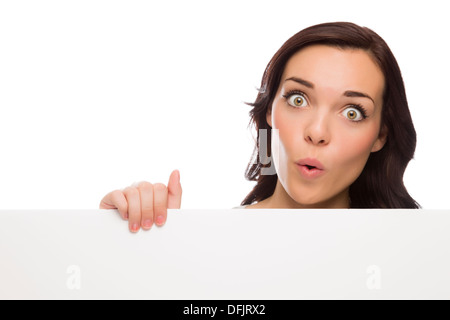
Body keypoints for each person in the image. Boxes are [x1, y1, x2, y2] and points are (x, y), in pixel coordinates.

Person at [100, 22, 420, 233]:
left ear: (381, 135)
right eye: (298, 99)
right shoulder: (210, 242)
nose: (317, 132)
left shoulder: (416, 256)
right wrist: (135, 250)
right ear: (269, 111)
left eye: (352, 112)